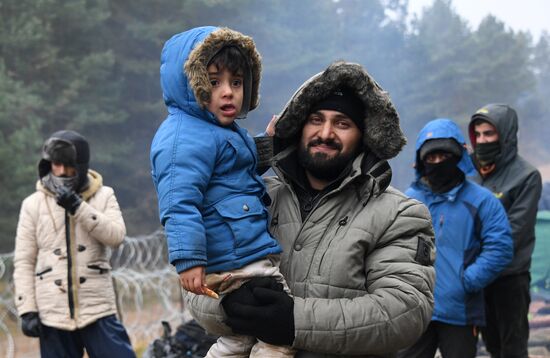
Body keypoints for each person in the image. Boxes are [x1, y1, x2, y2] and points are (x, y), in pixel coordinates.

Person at [184, 60, 437, 357]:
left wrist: (293, 321)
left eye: (342, 124)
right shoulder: (252, 199)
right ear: (299, 127)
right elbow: (198, 286)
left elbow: (404, 311)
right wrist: (229, 306)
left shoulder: (398, 214)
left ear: (364, 137)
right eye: (316, 119)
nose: (326, 133)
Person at [150, 26, 293, 357]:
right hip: (237, 259)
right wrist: (188, 259)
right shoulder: (183, 138)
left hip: (239, 250)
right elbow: (178, 203)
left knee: (240, 338)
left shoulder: (216, 131)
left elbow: (234, 175)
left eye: (237, 82)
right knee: (283, 331)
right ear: (190, 84)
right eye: (214, 82)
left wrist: (268, 145)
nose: (228, 92)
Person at [13, 130, 135, 358]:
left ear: (80, 165)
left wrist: (79, 208)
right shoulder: (32, 204)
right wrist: (27, 309)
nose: (60, 171)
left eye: (66, 165)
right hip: (52, 313)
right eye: (55, 164)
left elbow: (116, 237)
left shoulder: (104, 195)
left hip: (98, 308)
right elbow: (24, 260)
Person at [397, 118, 513, 358]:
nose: (438, 163)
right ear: (421, 161)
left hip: (461, 312)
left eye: (445, 156)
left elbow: (499, 247)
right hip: (416, 308)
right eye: (431, 158)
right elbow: (393, 245)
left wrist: (466, 282)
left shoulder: (482, 201)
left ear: (459, 157)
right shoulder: (409, 200)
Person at [469, 104, 543, 358]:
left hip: (510, 277)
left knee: (512, 348)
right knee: (492, 346)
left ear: (506, 134)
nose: (482, 141)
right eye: (477, 135)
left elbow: (515, 230)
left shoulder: (526, 176)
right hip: (477, 277)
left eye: (489, 134)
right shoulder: (471, 172)